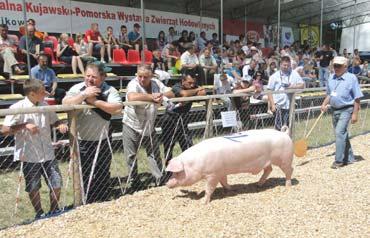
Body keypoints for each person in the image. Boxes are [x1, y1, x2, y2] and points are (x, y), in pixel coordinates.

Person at [1, 79, 68, 219]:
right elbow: (5, 130)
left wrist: (59, 125)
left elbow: (54, 120)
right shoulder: (17, 107)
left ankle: (54, 210)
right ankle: (39, 213)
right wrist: (24, 125)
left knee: (56, 182)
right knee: (33, 186)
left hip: (48, 152)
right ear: (32, 93)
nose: (46, 93)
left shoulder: (45, 104)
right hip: (29, 154)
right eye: (43, 91)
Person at [62, 62, 122, 203]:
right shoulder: (77, 88)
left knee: (102, 173)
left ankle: (101, 200)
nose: (89, 79)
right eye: (87, 76)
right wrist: (84, 95)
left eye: (93, 77)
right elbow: (65, 105)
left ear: (102, 78)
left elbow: (116, 108)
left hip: (102, 140)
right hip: (81, 140)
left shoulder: (109, 90)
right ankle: (84, 201)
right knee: (83, 173)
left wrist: (94, 102)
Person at [122, 65, 174, 186]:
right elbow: (131, 97)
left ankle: (159, 179)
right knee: (131, 155)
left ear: (151, 76)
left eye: (145, 77)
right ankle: (134, 182)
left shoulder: (156, 83)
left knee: (154, 154)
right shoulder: (133, 84)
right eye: (139, 76)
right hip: (132, 124)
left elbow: (171, 92)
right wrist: (152, 97)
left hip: (149, 125)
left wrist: (161, 95)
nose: (142, 79)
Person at [320, 56, 363, 169]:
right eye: (335, 65)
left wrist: (355, 114)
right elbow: (329, 94)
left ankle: (339, 161)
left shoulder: (352, 78)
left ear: (345, 66)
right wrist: (324, 104)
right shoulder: (331, 77)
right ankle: (349, 157)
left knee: (339, 132)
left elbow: (357, 97)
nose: (336, 68)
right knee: (342, 134)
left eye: (339, 66)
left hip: (347, 109)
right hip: (334, 110)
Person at [161, 75, 205, 165]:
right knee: (169, 146)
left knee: (187, 144)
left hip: (183, 119)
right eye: (189, 83)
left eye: (193, 83)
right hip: (170, 119)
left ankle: (190, 167)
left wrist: (191, 93)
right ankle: (168, 170)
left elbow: (203, 93)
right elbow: (184, 94)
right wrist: (196, 91)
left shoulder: (192, 87)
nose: (192, 85)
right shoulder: (176, 87)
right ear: (183, 81)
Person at [267, 56, 304, 130]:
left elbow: (302, 85)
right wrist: (272, 105)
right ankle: (279, 141)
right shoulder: (274, 76)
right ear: (280, 64)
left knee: (288, 127)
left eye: (288, 65)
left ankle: (287, 141)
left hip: (289, 105)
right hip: (278, 106)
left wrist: (292, 87)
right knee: (278, 128)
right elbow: (269, 91)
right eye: (284, 65)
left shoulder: (294, 73)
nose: (286, 67)